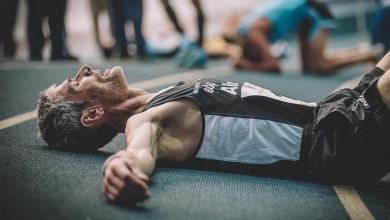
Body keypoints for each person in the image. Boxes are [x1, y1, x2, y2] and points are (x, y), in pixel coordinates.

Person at [37, 52, 390, 204]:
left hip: (332, 111)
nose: (84, 69)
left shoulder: (153, 99)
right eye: (75, 82)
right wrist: (121, 166)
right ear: (92, 115)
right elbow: (139, 151)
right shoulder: (143, 121)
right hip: (336, 142)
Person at [234, 0, 379, 73]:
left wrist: (249, 65)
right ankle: (364, 53)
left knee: (320, 66)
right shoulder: (245, 30)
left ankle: (368, 55)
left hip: (313, 11)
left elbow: (273, 65)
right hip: (303, 17)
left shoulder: (253, 33)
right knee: (310, 68)